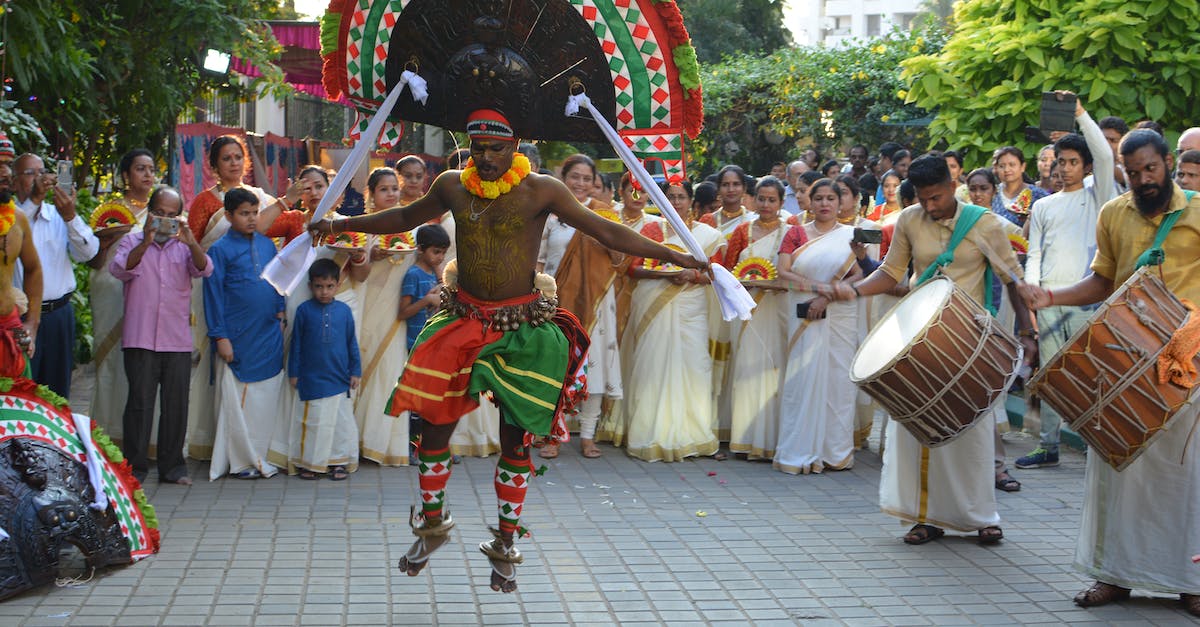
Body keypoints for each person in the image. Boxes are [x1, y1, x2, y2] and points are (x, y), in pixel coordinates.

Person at [309, 109, 707, 593]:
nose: (486, 157)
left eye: (496, 149)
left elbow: (604, 231)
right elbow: (403, 217)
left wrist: (677, 254)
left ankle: (505, 542)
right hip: (462, 320)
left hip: (523, 330)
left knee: (516, 443)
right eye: (477, 147)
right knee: (435, 432)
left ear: (516, 145)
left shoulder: (542, 189)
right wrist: (336, 223)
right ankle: (432, 527)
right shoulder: (453, 184)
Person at [1018, 130, 1200, 616]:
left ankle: (1191, 581)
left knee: (1187, 478)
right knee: (1118, 474)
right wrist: (1050, 296)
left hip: (1185, 365)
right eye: (1134, 172)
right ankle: (1115, 575)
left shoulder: (1199, 210)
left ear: (1167, 162)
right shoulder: (1113, 213)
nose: (1143, 180)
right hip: (1121, 361)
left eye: (1151, 169)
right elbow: (1103, 279)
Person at [829, 154, 1038, 544]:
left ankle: (982, 517)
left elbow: (1013, 280)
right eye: (923, 199)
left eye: (937, 197)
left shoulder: (985, 223)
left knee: (972, 436)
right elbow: (892, 273)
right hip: (919, 338)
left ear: (951, 185)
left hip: (970, 340)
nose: (930, 206)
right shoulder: (909, 219)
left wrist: (1028, 334)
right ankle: (924, 517)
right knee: (917, 431)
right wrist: (852, 291)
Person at [186, 136, 301, 462]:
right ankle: (209, 441)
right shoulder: (205, 203)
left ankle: (248, 445)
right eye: (226, 158)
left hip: (256, 301)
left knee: (246, 374)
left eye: (239, 157)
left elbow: (275, 231)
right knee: (215, 366)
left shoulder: (258, 199)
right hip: (214, 292)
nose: (234, 163)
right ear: (213, 165)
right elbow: (189, 249)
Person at [1017, 94, 1115, 471]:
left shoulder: (1099, 196)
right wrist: (1031, 294)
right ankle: (1048, 445)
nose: (1065, 168)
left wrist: (1079, 114)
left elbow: (1106, 157)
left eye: (1073, 162)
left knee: (1092, 373)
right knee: (1051, 375)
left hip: (1090, 296)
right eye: (1061, 162)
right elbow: (1035, 253)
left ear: (1086, 166)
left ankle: (1097, 444)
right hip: (1050, 299)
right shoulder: (1042, 205)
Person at [609, 181, 725, 462]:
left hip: (691, 308)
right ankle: (650, 433)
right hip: (653, 305)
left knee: (694, 367)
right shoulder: (651, 230)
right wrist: (664, 273)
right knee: (652, 366)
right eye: (669, 197)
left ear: (692, 201)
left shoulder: (707, 235)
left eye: (681, 197)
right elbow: (634, 269)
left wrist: (692, 276)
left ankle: (695, 435)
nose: (675, 202)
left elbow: (717, 273)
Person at [110, 186, 211, 485]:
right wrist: (146, 240)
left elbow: (205, 269)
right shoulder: (131, 241)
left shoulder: (184, 246)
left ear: (180, 217)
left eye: (172, 215)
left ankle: (173, 468)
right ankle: (135, 469)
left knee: (176, 403)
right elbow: (120, 269)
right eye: (159, 214)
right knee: (140, 403)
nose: (165, 220)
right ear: (149, 212)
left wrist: (191, 240)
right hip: (140, 337)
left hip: (176, 339)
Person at [537, 154, 624, 459]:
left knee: (595, 368)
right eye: (576, 177)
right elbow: (540, 260)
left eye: (588, 179)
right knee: (556, 369)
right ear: (564, 177)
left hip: (598, 302)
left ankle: (587, 435)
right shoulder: (549, 216)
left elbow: (619, 259)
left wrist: (607, 237)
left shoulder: (605, 215)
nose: (581, 184)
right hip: (557, 304)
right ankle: (553, 434)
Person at [773, 179, 862, 474]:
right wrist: (817, 287)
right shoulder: (795, 234)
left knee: (838, 383)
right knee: (801, 380)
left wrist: (825, 296)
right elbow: (783, 273)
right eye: (819, 198)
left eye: (830, 198)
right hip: (802, 314)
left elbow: (860, 275)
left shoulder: (852, 236)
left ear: (840, 203)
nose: (824, 203)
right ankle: (798, 450)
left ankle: (835, 453)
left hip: (839, 315)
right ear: (809, 202)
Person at [203, 188, 288, 481]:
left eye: (255, 213)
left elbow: (278, 282)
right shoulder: (219, 250)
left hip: (268, 332)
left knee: (265, 397)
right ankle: (240, 461)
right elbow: (212, 297)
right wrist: (219, 336)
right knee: (240, 400)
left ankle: (262, 455)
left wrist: (280, 312)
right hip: (237, 336)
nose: (251, 219)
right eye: (244, 214)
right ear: (229, 216)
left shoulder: (267, 246)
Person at [12, 154, 97, 399]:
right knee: (21, 389)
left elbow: (88, 253)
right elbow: (11, 234)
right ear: (15, 181)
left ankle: (54, 438)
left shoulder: (57, 214)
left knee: (57, 393)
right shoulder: (8, 216)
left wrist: (70, 216)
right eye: (31, 173)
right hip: (21, 317)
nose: (40, 178)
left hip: (59, 315)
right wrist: (34, 201)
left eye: (43, 172)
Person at [87, 149, 156, 443]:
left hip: (148, 296)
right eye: (140, 169)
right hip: (111, 292)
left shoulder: (161, 210)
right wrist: (107, 239)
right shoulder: (111, 212)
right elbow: (94, 261)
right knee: (111, 364)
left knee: (145, 366)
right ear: (126, 175)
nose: (147, 175)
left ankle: (144, 439)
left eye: (151, 169)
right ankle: (107, 435)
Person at [725, 177, 790, 460]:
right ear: (753, 200)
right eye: (761, 199)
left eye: (772, 200)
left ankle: (773, 438)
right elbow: (725, 271)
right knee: (747, 368)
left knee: (776, 368)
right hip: (748, 309)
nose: (766, 205)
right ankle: (745, 438)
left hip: (777, 308)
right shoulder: (742, 231)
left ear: (781, 203)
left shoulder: (793, 232)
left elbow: (796, 269)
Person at [353, 167, 415, 466]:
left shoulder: (411, 227)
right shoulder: (363, 229)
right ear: (371, 195)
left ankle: (386, 444)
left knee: (391, 373)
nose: (390, 194)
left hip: (397, 313)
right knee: (366, 366)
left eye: (394, 188)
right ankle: (359, 438)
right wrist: (371, 252)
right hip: (369, 308)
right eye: (384, 189)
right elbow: (358, 272)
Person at [287, 258, 362, 481]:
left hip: (339, 376)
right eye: (319, 286)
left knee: (339, 423)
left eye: (330, 286)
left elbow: (351, 343)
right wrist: (294, 373)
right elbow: (296, 344)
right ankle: (310, 463)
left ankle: (337, 463)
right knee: (313, 422)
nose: (324, 292)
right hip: (311, 377)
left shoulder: (344, 311)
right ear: (311, 286)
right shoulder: (304, 311)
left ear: (338, 286)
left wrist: (355, 371)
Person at [397, 223, 450, 458]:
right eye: (436, 252)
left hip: (437, 343)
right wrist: (427, 300)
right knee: (418, 400)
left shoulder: (434, 273)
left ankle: (435, 446)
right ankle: (412, 447)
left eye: (443, 252)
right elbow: (403, 312)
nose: (440, 257)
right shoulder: (413, 275)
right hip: (417, 343)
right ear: (420, 249)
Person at [0, 150, 43, 379]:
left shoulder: (17, 219)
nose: (6, 173)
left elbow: (34, 269)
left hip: (10, 333)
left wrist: (32, 324)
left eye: (7, 165)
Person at [991, 146, 1051, 226]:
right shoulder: (992, 193)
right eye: (1002, 166)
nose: (1006, 170)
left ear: (1022, 167)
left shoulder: (1039, 195)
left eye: (1012, 165)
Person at [700, 165, 754, 238]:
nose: (731, 189)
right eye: (725, 185)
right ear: (718, 189)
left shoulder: (754, 220)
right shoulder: (707, 221)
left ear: (744, 188)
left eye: (736, 184)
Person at [1098, 116, 1130, 193]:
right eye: (1103, 139)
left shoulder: (1129, 168)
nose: (1106, 144)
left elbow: (1123, 178)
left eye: (1113, 140)